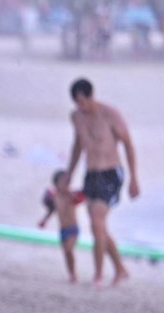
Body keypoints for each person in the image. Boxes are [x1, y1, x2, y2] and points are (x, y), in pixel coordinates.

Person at [62, 78, 139, 287]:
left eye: (83, 102)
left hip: (111, 174)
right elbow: (78, 145)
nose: (81, 107)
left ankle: (98, 275)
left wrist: (134, 179)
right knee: (99, 226)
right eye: (77, 103)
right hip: (91, 174)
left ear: (90, 96)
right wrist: (69, 172)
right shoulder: (76, 117)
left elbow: (129, 145)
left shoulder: (110, 115)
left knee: (97, 222)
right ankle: (120, 269)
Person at [38, 170, 85, 284]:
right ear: (56, 183)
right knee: (66, 252)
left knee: (69, 250)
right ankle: (72, 274)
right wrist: (44, 221)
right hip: (63, 229)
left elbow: (79, 199)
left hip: (73, 228)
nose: (65, 185)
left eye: (66, 182)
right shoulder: (54, 197)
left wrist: (68, 191)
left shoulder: (70, 195)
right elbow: (52, 210)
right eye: (62, 182)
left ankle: (74, 275)